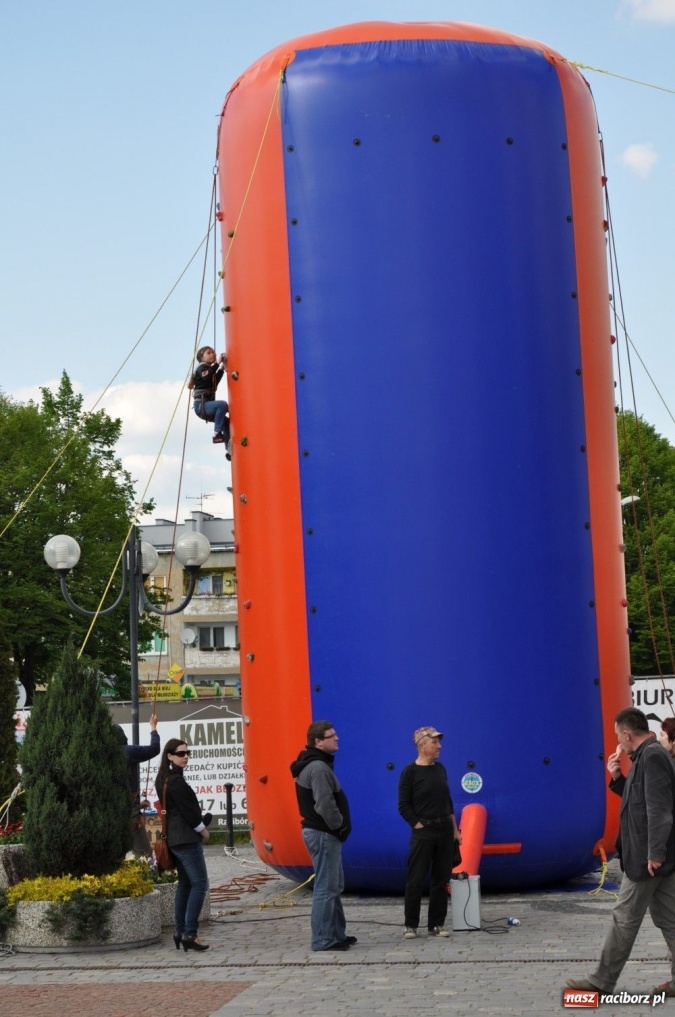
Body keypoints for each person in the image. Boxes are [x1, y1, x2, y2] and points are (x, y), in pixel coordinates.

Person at [566, 707, 675, 998]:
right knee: (670, 920)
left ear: (628, 734)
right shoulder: (645, 756)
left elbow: (660, 810)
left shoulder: (652, 756)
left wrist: (654, 853)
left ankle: (601, 982)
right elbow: (640, 802)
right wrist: (616, 779)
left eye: (618, 736)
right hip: (655, 857)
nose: (618, 742)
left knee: (623, 919)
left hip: (647, 860)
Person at [290, 720, 354, 952]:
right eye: (331, 736)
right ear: (318, 741)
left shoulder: (317, 765)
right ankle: (323, 940)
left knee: (334, 885)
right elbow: (325, 804)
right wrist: (339, 826)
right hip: (323, 833)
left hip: (323, 833)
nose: (337, 738)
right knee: (326, 887)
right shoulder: (317, 768)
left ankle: (336, 934)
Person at [398, 726, 462, 940]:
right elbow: (403, 805)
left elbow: (448, 802)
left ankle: (436, 924)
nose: (439, 746)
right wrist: (417, 825)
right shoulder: (410, 772)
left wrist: (455, 830)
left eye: (438, 742)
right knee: (415, 879)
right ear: (422, 745)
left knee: (441, 879)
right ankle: (411, 925)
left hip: (444, 829)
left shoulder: (440, 769)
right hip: (423, 831)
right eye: (434, 742)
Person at [155, 738, 211, 952]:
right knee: (199, 884)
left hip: (173, 838)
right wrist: (203, 831)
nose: (186, 756)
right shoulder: (176, 781)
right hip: (186, 838)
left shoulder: (163, 779)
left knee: (185, 884)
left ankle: (180, 931)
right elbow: (188, 811)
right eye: (181, 753)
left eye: (188, 753)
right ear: (169, 756)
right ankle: (190, 933)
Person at [112, 713, 161, 857]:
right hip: (129, 813)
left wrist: (138, 805)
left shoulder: (102, 755)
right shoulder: (127, 751)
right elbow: (154, 748)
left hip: (112, 812)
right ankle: (148, 876)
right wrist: (153, 727)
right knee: (144, 854)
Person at [188, 345, 231, 453]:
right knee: (222, 405)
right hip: (201, 405)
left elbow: (214, 380)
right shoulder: (201, 368)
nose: (213, 354)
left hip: (206, 406)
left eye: (214, 353)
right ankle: (217, 434)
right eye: (209, 353)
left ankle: (228, 449)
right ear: (202, 357)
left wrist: (222, 367)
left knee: (226, 422)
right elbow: (207, 376)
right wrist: (217, 363)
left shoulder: (208, 370)